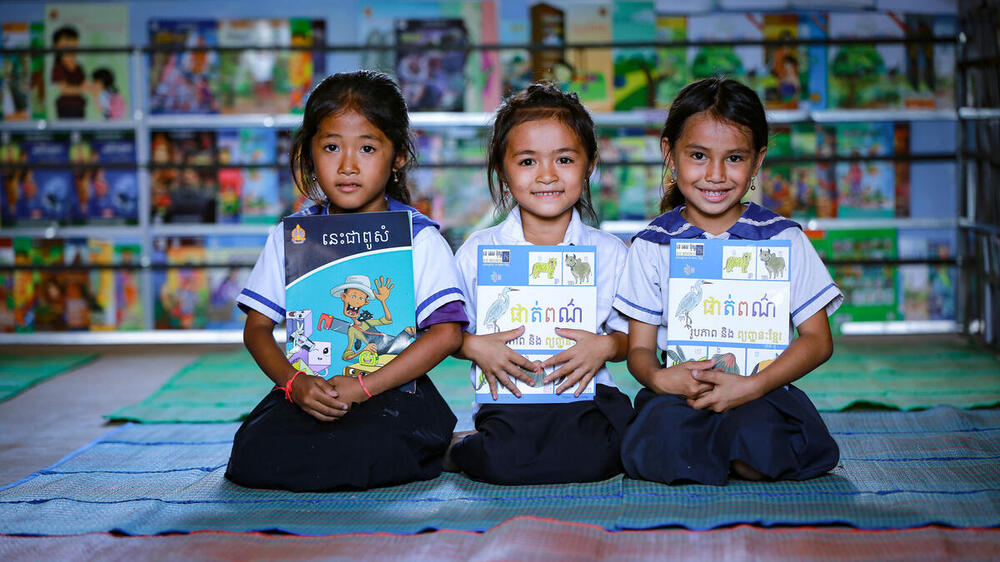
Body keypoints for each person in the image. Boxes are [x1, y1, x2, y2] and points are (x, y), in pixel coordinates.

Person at [226, 70, 467, 492]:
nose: (348, 165)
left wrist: (362, 387)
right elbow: (258, 328)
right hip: (312, 387)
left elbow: (446, 334)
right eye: (332, 147)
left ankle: (439, 446)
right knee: (253, 452)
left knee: (366, 450)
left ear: (398, 157)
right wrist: (294, 383)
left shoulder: (419, 237)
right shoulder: (292, 236)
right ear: (309, 152)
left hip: (390, 388)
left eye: (368, 147)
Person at [613, 77, 844, 486]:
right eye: (699, 155)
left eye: (734, 158)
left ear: (757, 161)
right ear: (670, 153)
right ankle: (722, 454)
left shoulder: (782, 238)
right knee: (660, 433)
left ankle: (725, 453)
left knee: (761, 434)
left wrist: (754, 386)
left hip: (762, 392)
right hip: (683, 396)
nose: (716, 175)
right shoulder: (652, 244)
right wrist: (659, 377)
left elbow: (817, 340)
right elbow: (641, 349)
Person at [447, 82, 633, 485]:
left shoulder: (611, 252)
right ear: (502, 169)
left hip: (587, 397)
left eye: (564, 159)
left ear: (590, 166)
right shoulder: (478, 250)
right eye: (528, 162)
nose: (547, 176)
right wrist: (473, 345)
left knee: (609, 456)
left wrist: (605, 346)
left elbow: (629, 338)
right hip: (512, 400)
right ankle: (461, 446)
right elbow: (445, 333)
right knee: (505, 463)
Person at [50, 26, 87, 119]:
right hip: (65, 108)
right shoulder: (58, 67)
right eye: (66, 46)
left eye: (74, 46)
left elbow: (85, 83)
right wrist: (83, 89)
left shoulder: (78, 67)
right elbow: (64, 89)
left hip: (79, 106)